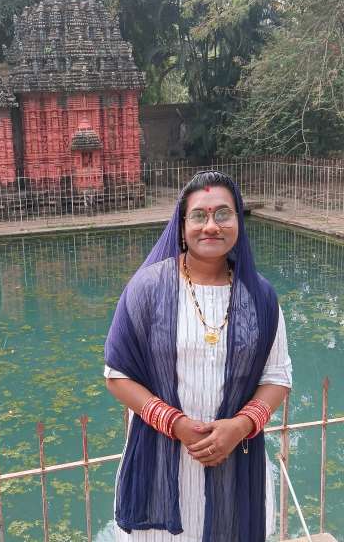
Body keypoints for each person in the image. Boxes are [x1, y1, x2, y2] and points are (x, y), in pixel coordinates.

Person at [104, 171, 292, 542]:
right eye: (199, 216)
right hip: (161, 461)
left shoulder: (260, 297)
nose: (211, 226)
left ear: (238, 221)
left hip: (237, 458)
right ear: (182, 225)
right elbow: (117, 374)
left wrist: (238, 428)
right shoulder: (147, 288)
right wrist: (175, 424)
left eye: (223, 214)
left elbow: (277, 377)